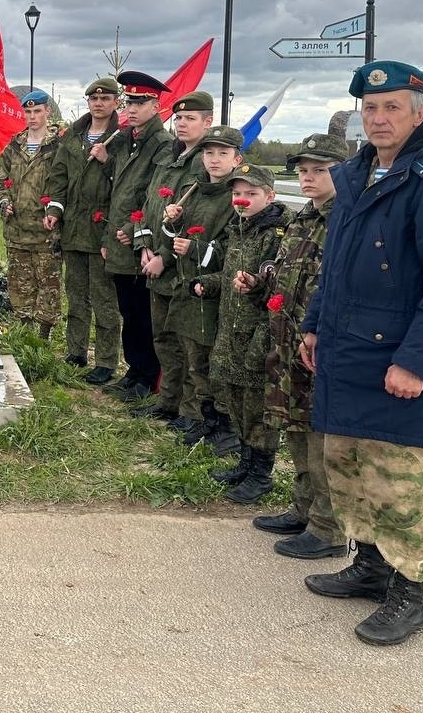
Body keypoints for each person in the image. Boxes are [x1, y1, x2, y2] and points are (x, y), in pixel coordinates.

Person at [301, 60, 423, 646]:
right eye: (371, 108)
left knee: (399, 478)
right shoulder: (358, 173)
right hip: (346, 351)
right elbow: (336, 266)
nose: (379, 118)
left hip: (397, 361)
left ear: (419, 112)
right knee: (349, 464)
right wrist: (312, 326)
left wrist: (416, 362)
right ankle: (371, 566)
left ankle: (409, 592)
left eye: (392, 108)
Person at [251, 133, 350, 560]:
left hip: (322, 346)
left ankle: (328, 530)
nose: (308, 178)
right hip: (289, 341)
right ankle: (304, 509)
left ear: (342, 172)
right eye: (303, 170)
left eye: (319, 170)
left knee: (322, 437)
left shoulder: (345, 218)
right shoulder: (304, 218)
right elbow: (291, 271)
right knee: (296, 425)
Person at [136, 124, 242, 444]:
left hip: (207, 288)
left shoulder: (235, 197)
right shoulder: (195, 188)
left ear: (237, 159)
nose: (214, 160)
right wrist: (174, 222)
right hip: (183, 281)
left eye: (223, 154)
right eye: (209, 153)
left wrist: (193, 248)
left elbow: (233, 249)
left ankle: (196, 415)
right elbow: (174, 236)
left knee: (200, 357)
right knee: (173, 344)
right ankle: (172, 405)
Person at [191, 163, 290, 501]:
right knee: (235, 400)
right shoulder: (238, 228)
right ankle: (246, 463)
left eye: (251, 193)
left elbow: (275, 287)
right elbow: (230, 276)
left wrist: (256, 286)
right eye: (237, 193)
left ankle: (261, 475)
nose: (242, 199)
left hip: (259, 333)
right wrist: (208, 283)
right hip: (230, 331)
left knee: (258, 408)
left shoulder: (277, 234)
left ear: (270, 196)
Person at [129, 91, 213, 421]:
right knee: (162, 337)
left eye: (190, 118)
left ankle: (189, 411)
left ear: (207, 122)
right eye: (178, 118)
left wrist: (162, 255)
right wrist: (144, 245)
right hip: (155, 257)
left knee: (183, 341)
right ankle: (168, 401)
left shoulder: (203, 164)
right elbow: (151, 206)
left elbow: (191, 216)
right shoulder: (170, 157)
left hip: (180, 265)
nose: (181, 124)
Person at [100, 70, 173, 402]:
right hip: (118, 239)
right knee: (128, 310)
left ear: (156, 106)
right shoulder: (127, 139)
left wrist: (132, 230)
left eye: (140, 102)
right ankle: (134, 370)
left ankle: (147, 376)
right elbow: (117, 192)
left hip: (139, 239)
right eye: (129, 101)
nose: (131, 107)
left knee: (143, 313)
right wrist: (108, 237)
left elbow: (154, 194)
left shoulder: (160, 144)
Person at [44, 77, 121, 385]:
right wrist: (53, 209)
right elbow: (58, 176)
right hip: (74, 228)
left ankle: (105, 360)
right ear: (88, 102)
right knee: (76, 295)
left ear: (116, 103)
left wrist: (107, 161)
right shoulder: (73, 136)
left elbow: (128, 183)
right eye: (94, 99)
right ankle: (76, 351)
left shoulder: (122, 137)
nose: (99, 103)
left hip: (102, 229)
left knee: (104, 299)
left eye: (105, 99)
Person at [0, 89, 64, 338]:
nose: (32, 117)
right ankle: (24, 332)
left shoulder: (58, 146)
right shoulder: (15, 145)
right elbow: (0, 181)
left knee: (48, 284)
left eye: (37, 111)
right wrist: (3, 203)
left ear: (47, 112)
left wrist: (55, 209)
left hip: (46, 231)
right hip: (17, 229)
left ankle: (43, 337)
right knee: (19, 283)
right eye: (28, 112)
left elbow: (64, 183)